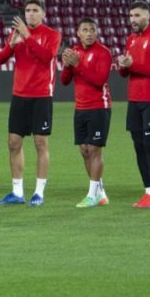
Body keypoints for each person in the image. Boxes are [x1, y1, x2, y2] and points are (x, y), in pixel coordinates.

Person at [0, 0, 61, 207]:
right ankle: (17, 191)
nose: (30, 14)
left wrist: (27, 35)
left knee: (40, 144)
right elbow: (0, 59)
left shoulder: (52, 35)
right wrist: (11, 46)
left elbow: (46, 56)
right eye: (27, 10)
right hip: (19, 95)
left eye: (34, 10)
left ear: (43, 14)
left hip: (41, 95)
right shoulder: (16, 34)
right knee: (13, 142)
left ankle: (39, 193)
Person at [118, 0, 150, 209]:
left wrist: (133, 65)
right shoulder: (131, 39)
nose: (133, 20)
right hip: (134, 99)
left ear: (148, 16)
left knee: (149, 144)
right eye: (131, 16)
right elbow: (125, 73)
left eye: (137, 15)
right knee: (138, 145)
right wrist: (123, 66)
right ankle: (147, 191)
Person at [59, 17, 112, 208]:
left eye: (92, 30)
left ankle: (91, 196)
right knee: (84, 151)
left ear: (96, 33)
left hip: (99, 107)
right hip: (80, 108)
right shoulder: (76, 51)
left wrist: (78, 65)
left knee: (94, 150)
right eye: (85, 30)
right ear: (78, 33)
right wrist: (67, 64)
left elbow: (99, 80)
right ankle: (100, 192)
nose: (89, 33)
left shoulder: (104, 53)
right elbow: (64, 80)